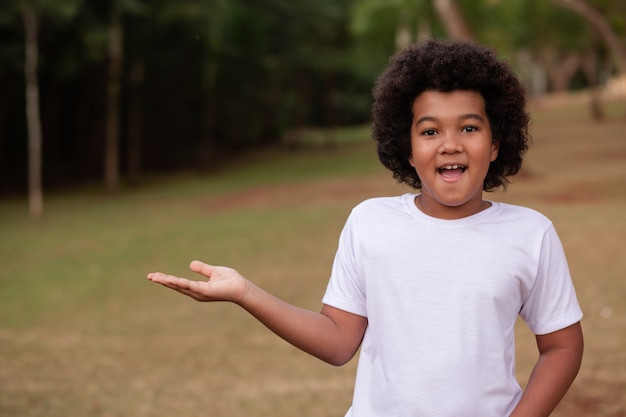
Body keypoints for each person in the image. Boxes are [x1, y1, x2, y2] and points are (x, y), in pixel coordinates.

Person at [147, 38, 584, 417]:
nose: (450, 143)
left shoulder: (530, 234)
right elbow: (338, 342)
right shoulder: (370, 222)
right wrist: (246, 293)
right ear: (407, 150)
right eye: (429, 131)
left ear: (495, 144)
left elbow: (563, 347)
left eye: (469, 127)